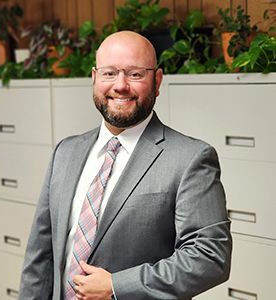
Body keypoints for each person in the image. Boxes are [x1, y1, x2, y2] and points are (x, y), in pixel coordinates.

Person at [19, 31, 232, 300]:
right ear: (95, 78)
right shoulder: (65, 151)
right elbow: (40, 255)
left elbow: (210, 257)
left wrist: (117, 286)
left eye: (135, 74)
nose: (120, 85)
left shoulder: (190, 158)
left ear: (157, 81)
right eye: (109, 73)